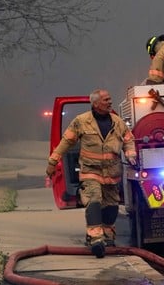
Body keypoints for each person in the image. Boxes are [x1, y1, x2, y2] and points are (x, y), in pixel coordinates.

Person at [45, 88, 137, 257]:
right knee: (94, 200)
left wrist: (131, 156)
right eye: (106, 100)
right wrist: (53, 162)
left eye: (110, 99)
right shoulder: (81, 122)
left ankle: (108, 236)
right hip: (90, 171)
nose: (110, 102)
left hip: (112, 173)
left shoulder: (118, 122)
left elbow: (129, 141)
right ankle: (96, 239)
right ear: (95, 104)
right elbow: (65, 143)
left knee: (111, 207)